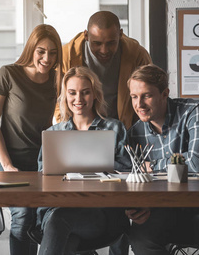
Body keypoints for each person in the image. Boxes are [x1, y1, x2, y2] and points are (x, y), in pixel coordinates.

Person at [125, 64, 199, 255]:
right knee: (140, 239)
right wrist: (140, 205)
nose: (139, 104)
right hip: (164, 208)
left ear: (165, 93)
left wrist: (153, 165)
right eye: (134, 97)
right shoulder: (134, 134)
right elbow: (141, 181)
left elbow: (197, 163)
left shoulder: (195, 110)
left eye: (146, 95)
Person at [36, 66, 131, 255]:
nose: (78, 99)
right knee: (66, 238)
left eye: (85, 92)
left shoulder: (114, 128)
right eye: (72, 93)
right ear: (65, 96)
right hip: (57, 208)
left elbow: (126, 177)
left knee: (60, 221)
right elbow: (43, 179)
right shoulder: (53, 133)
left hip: (99, 214)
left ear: (95, 94)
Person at [0, 24, 63, 255]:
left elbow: (54, 122)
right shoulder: (8, 74)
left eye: (52, 52)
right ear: (31, 49)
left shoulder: (56, 80)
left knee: (48, 216)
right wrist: (8, 165)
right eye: (41, 51)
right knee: (22, 216)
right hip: (7, 160)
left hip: (39, 161)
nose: (46, 58)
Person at [59, 10, 152, 129]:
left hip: (125, 129)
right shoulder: (67, 56)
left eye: (111, 43)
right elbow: (58, 98)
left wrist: (136, 132)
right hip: (80, 130)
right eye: (97, 43)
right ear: (86, 36)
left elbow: (148, 95)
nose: (104, 50)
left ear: (120, 34)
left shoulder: (137, 55)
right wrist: (67, 128)